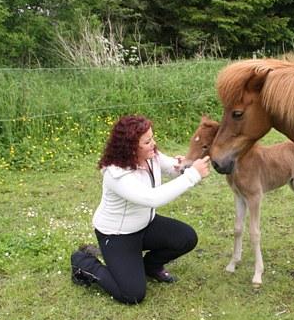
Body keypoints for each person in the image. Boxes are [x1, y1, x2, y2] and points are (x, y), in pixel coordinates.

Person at [70, 114, 211, 304]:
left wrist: (185, 166)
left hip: (145, 225)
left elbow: (171, 166)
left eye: (152, 137)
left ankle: (150, 267)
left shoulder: (150, 156)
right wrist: (192, 176)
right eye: (147, 141)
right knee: (132, 294)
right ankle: (83, 262)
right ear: (130, 147)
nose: (153, 143)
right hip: (118, 235)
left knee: (186, 238)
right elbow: (151, 198)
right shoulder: (116, 173)